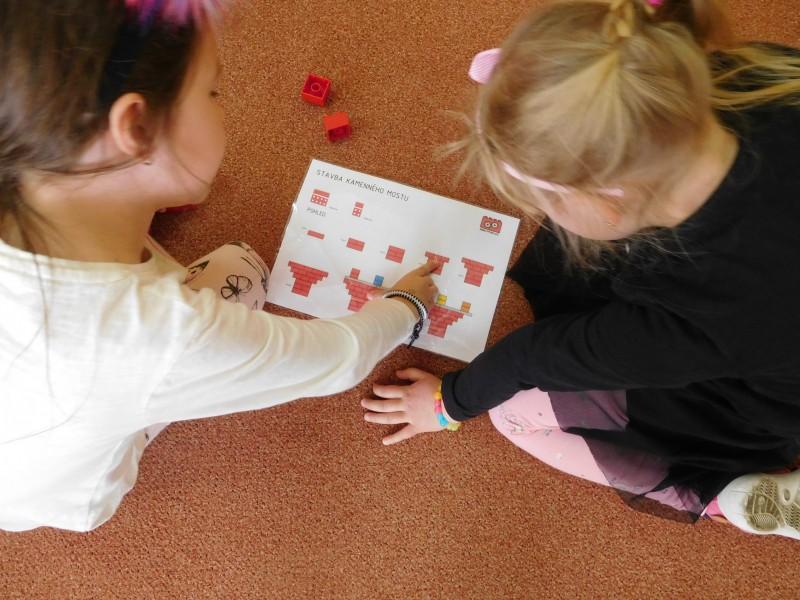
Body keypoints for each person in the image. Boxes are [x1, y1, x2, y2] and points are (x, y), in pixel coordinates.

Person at [363, 0, 800, 539]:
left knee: (512, 416)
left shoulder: (697, 315)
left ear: (609, 202)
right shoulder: (761, 74)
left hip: (760, 406)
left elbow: (537, 356)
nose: (544, 215)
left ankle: (719, 498)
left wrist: (448, 403)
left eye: (547, 203)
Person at [0, 0, 437, 532]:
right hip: (63, 493)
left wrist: (145, 190)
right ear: (136, 128)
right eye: (213, 92)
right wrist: (405, 305)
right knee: (243, 269)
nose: (221, 104)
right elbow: (339, 358)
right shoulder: (167, 334)